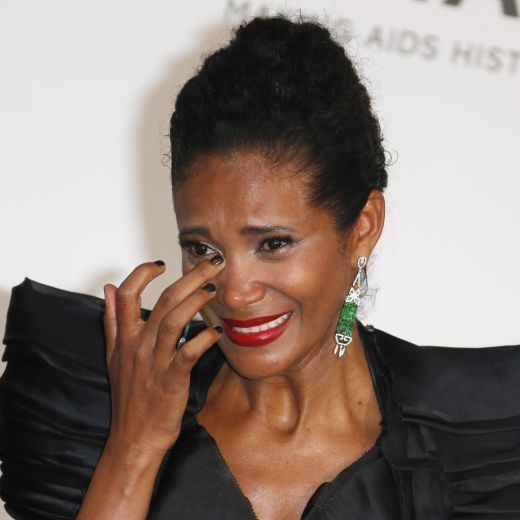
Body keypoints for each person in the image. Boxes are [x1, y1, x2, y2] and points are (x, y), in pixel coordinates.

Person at [1, 15, 519, 520]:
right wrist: (134, 447)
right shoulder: (89, 406)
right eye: (202, 249)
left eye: (273, 243)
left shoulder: (483, 451)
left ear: (363, 227)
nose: (234, 292)